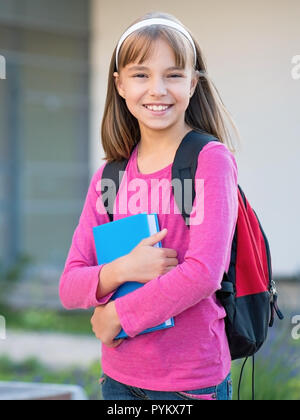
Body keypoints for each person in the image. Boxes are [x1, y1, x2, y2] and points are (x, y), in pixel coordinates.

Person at [59, 11, 241, 400]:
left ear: (193, 84)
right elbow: (70, 285)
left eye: (173, 75)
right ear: (120, 84)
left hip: (189, 384)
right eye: (141, 74)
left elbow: (204, 273)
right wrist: (124, 269)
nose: (157, 89)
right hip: (118, 380)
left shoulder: (209, 160)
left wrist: (117, 317)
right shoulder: (111, 175)